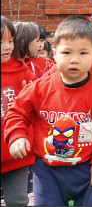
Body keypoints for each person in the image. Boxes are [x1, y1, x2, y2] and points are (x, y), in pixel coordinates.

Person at [4, 16, 92, 206]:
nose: (74, 59)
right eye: (66, 52)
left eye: (83, 53)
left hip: (88, 167)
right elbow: (17, 112)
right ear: (55, 54)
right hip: (47, 170)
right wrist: (17, 135)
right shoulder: (39, 87)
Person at [1, 16, 37, 206]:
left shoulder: (22, 72)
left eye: (10, 41)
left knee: (18, 201)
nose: (7, 46)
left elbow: (41, 98)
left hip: (16, 153)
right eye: (1, 42)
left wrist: (28, 99)